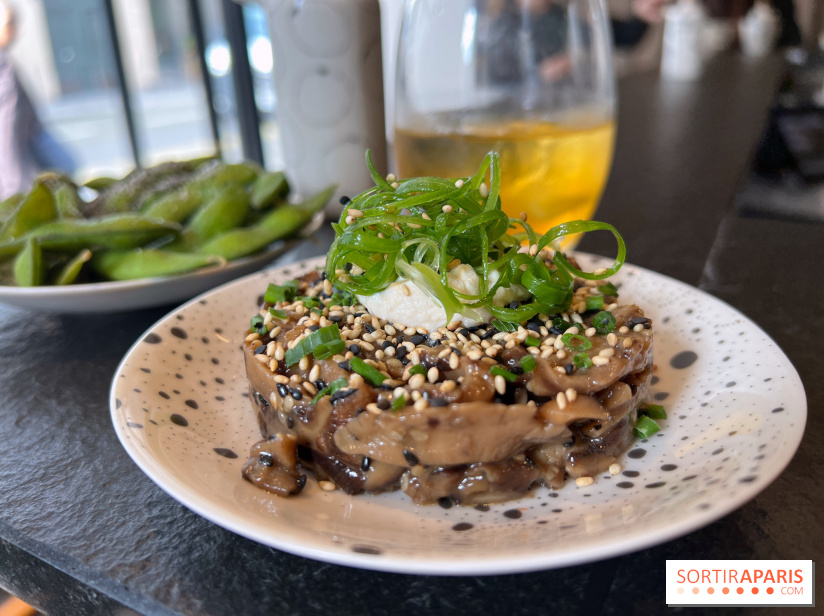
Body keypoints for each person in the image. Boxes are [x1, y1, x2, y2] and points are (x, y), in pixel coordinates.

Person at [0, 2, 75, 200]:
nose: (15, 30)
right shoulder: (2, 66)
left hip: (32, 148)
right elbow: (6, 130)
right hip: (19, 170)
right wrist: (12, 189)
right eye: (10, 24)